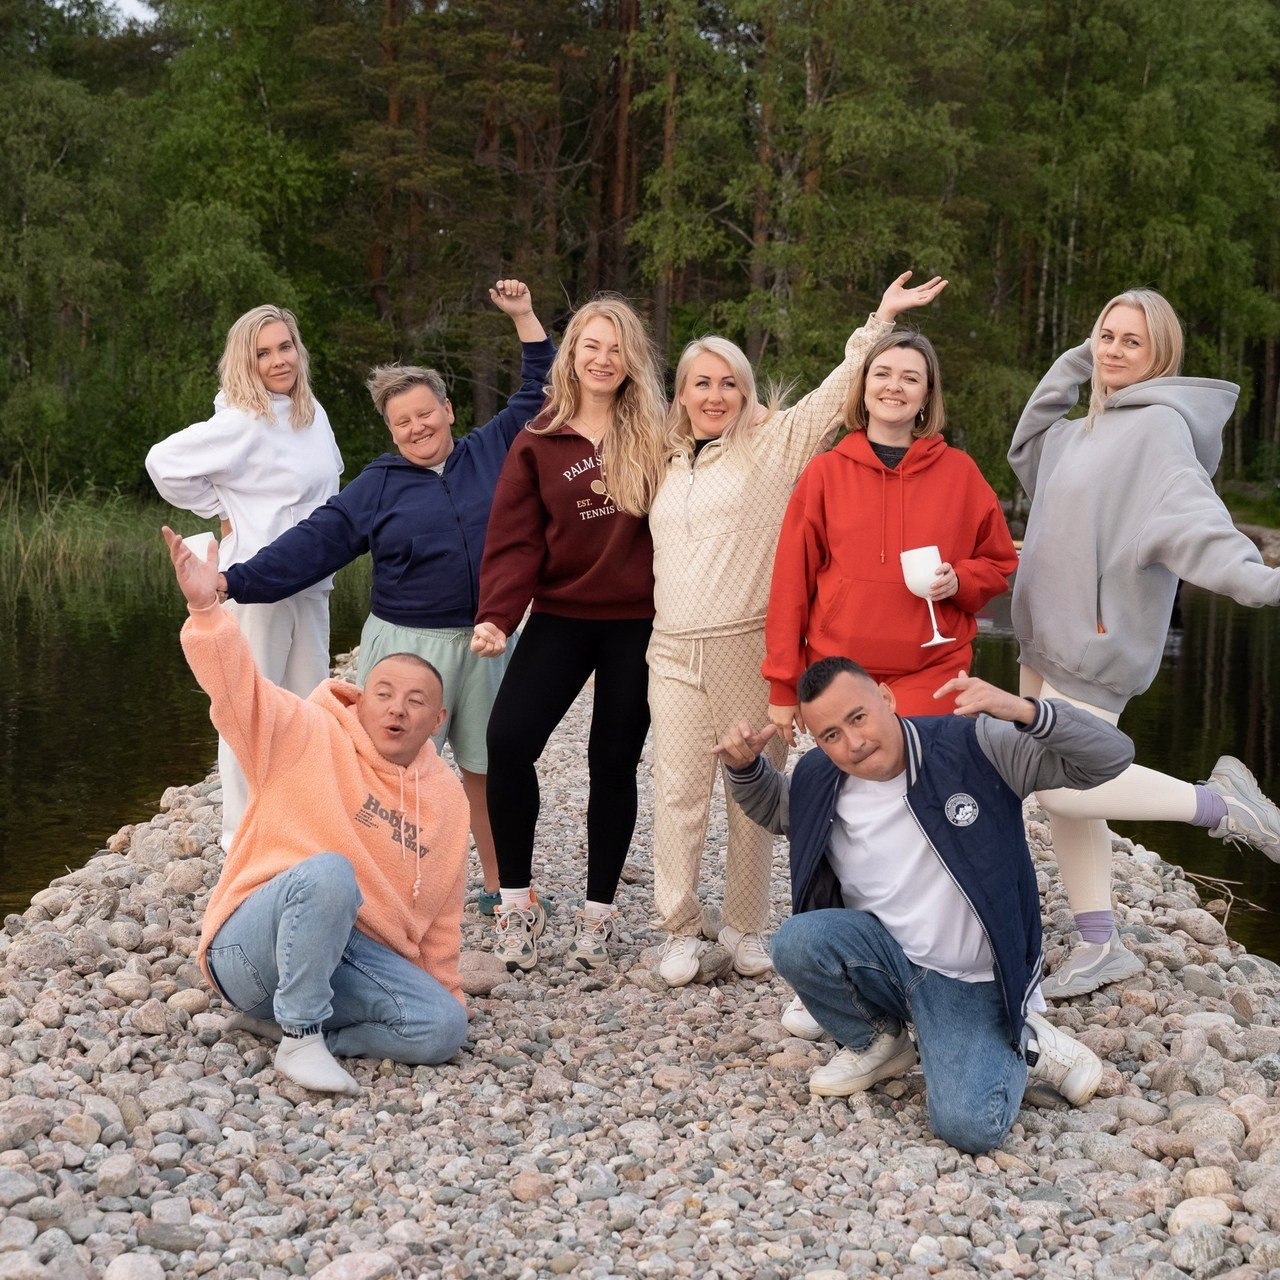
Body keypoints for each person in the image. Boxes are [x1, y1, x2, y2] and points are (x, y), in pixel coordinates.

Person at [647, 273, 948, 989]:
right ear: (681, 395)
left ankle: (747, 927)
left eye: (729, 383)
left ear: (747, 393)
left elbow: (836, 389)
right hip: (670, 648)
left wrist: (879, 320)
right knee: (676, 789)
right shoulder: (661, 461)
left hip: (745, 643)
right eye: (701, 384)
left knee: (751, 786)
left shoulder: (773, 446)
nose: (715, 395)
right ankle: (681, 930)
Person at [214, 282, 552, 917]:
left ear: (449, 410)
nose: (417, 427)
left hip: (483, 643)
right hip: (401, 646)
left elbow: (539, 389)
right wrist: (233, 581)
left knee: (487, 770)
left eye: (426, 413)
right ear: (391, 430)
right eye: (402, 421)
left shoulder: (492, 451)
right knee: (383, 776)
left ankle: (506, 893)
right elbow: (312, 544)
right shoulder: (378, 485)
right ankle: (379, 892)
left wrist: (524, 317)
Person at [714, 658, 1131, 1153]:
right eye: (830, 735)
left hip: (970, 981)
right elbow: (779, 809)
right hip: (888, 961)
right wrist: (744, 769)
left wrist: (1022, 709)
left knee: (969, 1128)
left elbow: (1111, 757)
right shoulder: (819, 776)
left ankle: (1030, 1042)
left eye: (858, 717)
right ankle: (879, 1043)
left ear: (887, 699)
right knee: (797, 941)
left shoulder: (975, 747)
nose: (853, 743)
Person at [1009, 288, 1280, 999]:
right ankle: (1101, 944)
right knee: (1065, 797)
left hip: (1094, 651)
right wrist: (1079, 361)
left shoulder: (1158, 431)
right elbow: (1027, 448)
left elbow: (1196, 522)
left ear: (1161, 356)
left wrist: (1260, 581)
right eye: (1106, 334)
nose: (1114, 349)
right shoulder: (1085, 431)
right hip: (1041, 645)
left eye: (1133, 341)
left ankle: (1220, 805)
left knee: (1064, 790)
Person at [162, 527, 470, 1095]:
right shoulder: (303, 731)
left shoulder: (447, 799)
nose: (396, 710)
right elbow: (237, 689)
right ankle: (300, 1036)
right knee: (330, 872)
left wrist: (434, 992)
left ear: (438, 719)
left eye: (415, 701)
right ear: (360, 695)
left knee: (445, 1028)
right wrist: (206, 609)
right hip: (252, 950)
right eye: (383, 693)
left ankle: (294, 1030)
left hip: (350, 961)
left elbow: (442, 914)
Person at [471, 295, 668, 973]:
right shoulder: (539, 439)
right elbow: (516, 540)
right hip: (559, 616)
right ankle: (517, 908)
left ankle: (599, 916)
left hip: (635, 627)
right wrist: (498, 615)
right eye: (591, 346)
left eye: (616, 348)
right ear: (571, 356)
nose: (604, 359)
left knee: (611, 763)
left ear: (631, 358)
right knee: (507, 742)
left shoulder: (657, 434)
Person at [147, 305, 344, 853]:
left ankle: (301, 831)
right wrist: (224, 506)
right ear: (246, 361)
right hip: (255, 585)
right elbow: (163, 462)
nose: (278, 360)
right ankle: (242, 843)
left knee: (308, 710)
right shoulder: (240, 419)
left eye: (285, 347)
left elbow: (327, 491)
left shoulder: (309, 413)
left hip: (311, 583)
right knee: (246, 712)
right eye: (263, 352)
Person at [764, 331, 1018, 739]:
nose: (894, 386)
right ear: (864, 385)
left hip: (931, 668)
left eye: (910, 378)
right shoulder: (825, 473)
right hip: (839, 669)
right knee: (853, 790)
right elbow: (790, 584)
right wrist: (783, 683)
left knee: (918, 780)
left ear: (927, 394)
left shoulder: (960, 473)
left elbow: (999, 564)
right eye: (882, 373)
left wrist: (961, 580)